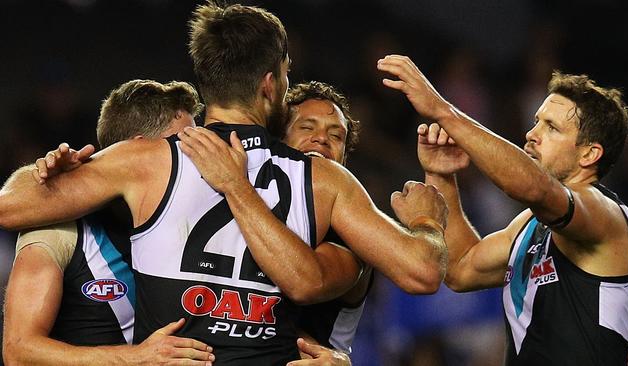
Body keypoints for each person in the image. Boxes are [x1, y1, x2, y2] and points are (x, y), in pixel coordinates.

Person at [0, 4, 448, 365]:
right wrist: (428, 218)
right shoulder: (324, 178)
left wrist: (40, 167)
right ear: (271, 85)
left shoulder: (146, 159)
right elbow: (423, 271)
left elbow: (10, 207)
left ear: (207, 81)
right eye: (287, 74)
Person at [378, 55, 628, 365]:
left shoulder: (606, 214)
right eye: (536, 122)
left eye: (552, 128)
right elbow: (461, 268)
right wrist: (442, 175)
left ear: (589, 153)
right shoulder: (530, 224)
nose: (532, 134)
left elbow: (534, 187)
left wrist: (443, 111)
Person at [2, 79, 215, 365]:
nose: (198, 159)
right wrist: (136, 359)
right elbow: (19, 352)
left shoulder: (199, 220)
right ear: (136, 150)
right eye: (183, 146)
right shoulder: (60, 228)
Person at [180, 81, 371, 358]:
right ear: (277, 142)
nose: (322, 139)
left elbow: (304, 284)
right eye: (307, 127)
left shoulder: (351, 234)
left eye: (336, 135)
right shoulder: (238, 203)